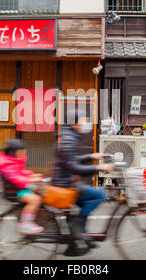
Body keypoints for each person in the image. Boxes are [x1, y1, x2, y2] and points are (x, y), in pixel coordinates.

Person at [52, 109, 114, 255]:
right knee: (100, 195)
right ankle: (78, 227)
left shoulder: (70, 135)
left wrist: (91, 156)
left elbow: (72, 161)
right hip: (65, 185)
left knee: (88, 198)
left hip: (66, 182)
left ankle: (76, 238)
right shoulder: (69, 139)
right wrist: (98, 166)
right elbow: (72, 166)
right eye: (84, 120)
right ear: (75, 123)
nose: (87, 123)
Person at [0, 139, 45, 235]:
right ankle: (26, 224)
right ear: (14, 152)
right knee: (35, 199)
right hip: (14, 191)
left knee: (39, 190)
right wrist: (31, 180)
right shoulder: (7, 164)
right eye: (21, 151)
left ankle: (31, 216)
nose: (23, 153)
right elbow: (16, 178)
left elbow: (20, 173)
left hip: (18, 187)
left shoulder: (12, 160)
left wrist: (32, 175)